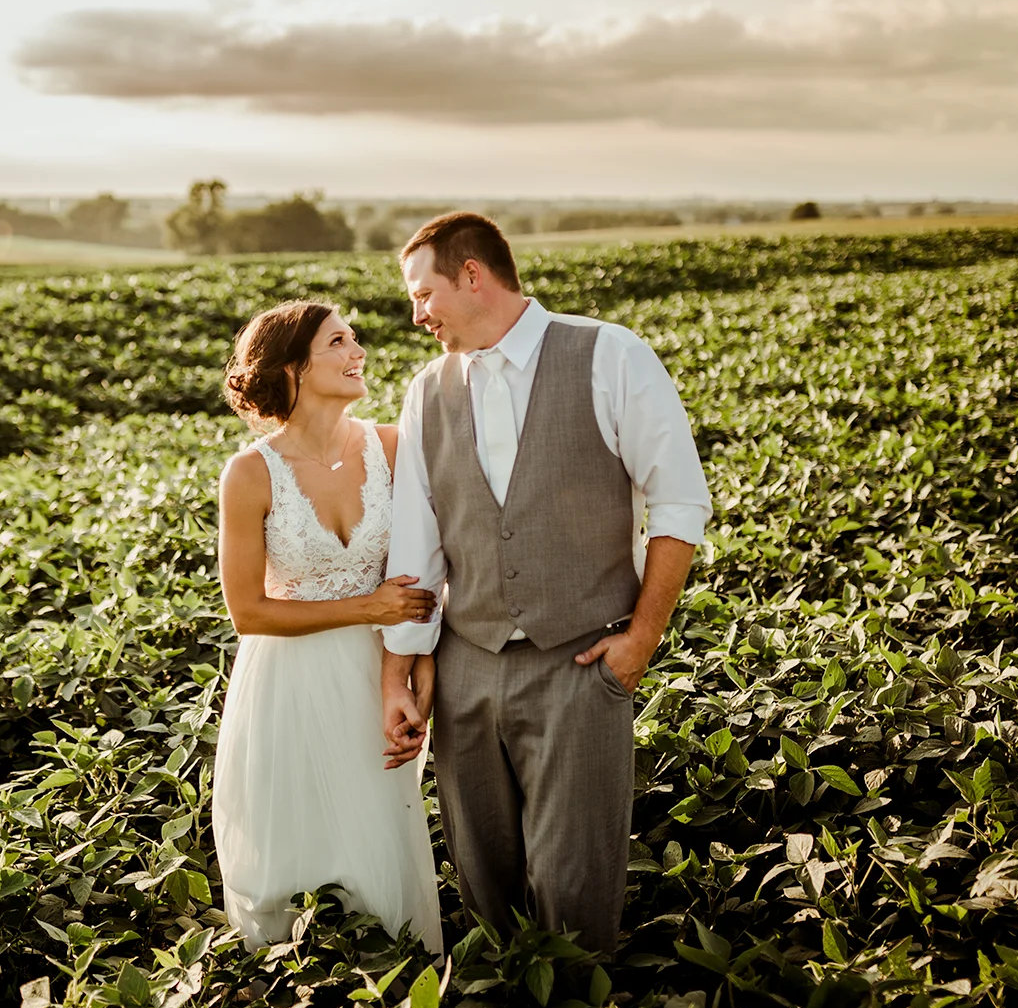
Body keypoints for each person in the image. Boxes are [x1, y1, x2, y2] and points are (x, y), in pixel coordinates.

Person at [378, 213, 710, 958]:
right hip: (466, 665)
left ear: (472, 275)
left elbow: (680, 503)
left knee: (576, 883)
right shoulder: (426, 391)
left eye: (423, 293)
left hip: (582, 661)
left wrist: (641, 640)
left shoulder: (610, 354)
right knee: (481, 874)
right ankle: (507, 1005)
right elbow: (417, 545)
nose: (417, 314)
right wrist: (402, 669)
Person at [210, 299, 444, 952]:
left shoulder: (393, 446)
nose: (357, 352)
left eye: (354, 338)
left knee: (378, 843)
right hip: (287, 683)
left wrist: (418, 665)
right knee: (294, 851)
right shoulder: (249, 473)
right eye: (338, 342)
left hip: (376, 677)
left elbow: (428, 569)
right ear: (292, 368)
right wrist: (368, 608)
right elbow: (248, 612)